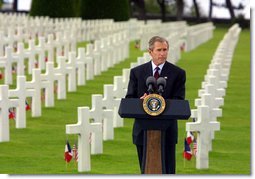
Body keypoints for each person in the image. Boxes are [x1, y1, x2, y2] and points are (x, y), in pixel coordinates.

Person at [125, 36, 186, 174]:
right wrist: (141, 100)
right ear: (150, 52)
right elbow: (129, 99)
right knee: (145, 169)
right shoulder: (137, 72)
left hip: (167, 131)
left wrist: (161, 101)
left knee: (168, 171)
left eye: (165, 50)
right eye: (159, 50)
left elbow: (179, 100)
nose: (162, 53)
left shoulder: (178, 73)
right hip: (142, 131)